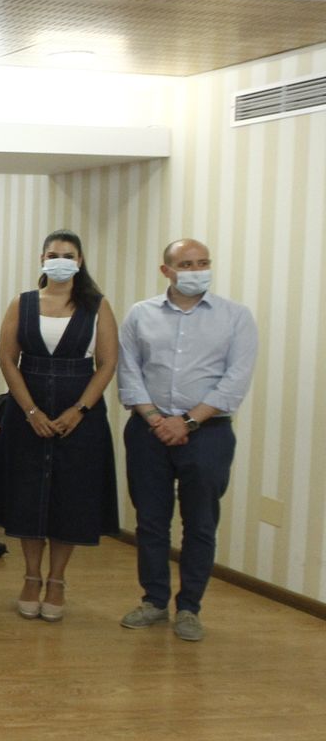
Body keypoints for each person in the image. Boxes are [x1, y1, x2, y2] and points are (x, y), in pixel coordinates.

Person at [116, 238, 257, 642]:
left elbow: (236, 380)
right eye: (186, 264)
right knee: (151, 521)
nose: (196, 270)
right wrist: (157, 419)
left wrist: (188, 422)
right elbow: (129, 372)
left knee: (200, 524)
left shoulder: (235, 317)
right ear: (166, 271)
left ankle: (190, 607)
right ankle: (154, 601)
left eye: (203, 263)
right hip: (148, 430)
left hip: (208, 433)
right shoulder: (140, 315)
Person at [0, 230, 120, 622]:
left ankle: (56, 580)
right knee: (27, 494)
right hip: (29, 411)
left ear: (80, 260)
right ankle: (30, 576)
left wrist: (80, 409)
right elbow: (8, 359)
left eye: (68, 255)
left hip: (80, 415)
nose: (60, 260)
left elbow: (107, 363)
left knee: (69, 497)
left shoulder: (97, 306)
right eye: (53, 254)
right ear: (42, 259)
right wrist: (29, 411)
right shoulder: (22, 304)